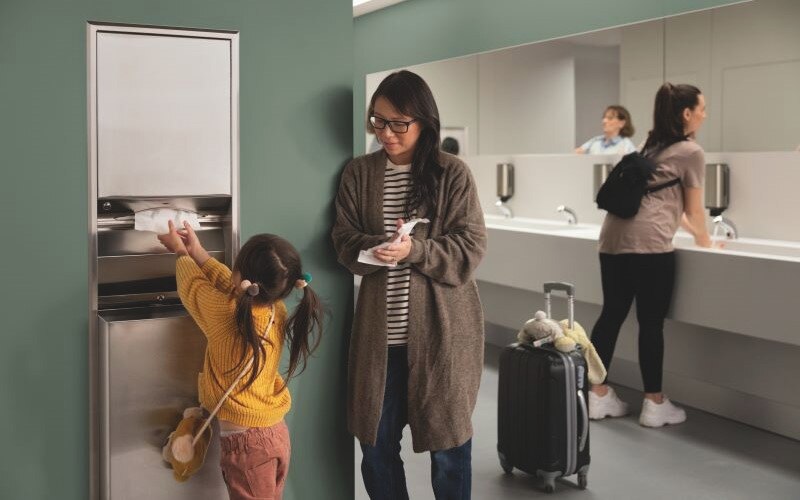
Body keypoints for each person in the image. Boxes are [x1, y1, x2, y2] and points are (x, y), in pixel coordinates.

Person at [331, 70, 487, 499]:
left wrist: (414, 250)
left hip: (443, 336)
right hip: (380, 341)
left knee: (449, 448)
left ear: (425, 122)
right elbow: (342, 239)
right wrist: (378, 247)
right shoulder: (359, 173)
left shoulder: (451, 173)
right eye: (378, 121)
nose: (386, 132)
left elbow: (471, 248)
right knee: (375, 446)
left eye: (399, 123)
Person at [157, 220, 324, 500]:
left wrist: (182, 254)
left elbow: (194, 289)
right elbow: (231, 288)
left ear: (243, 278)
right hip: (274, 433)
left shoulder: (225, 315)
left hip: (247, 445)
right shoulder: (276, 310)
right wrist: (199, 253)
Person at [588, 83, 714, 428]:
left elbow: (664, 203)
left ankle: (596, 395)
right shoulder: (691, 151)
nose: (705, 114)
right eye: (702, 108)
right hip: (650, 245)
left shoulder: (647, 146)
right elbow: (694, 210)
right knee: (651, 322)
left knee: (611, 315)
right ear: (687, 113)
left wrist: (691, 230)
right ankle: (654, 403)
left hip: (612, 238)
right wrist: (705, 240)